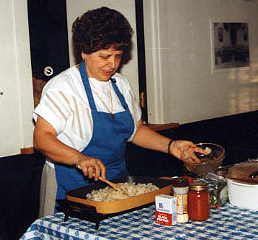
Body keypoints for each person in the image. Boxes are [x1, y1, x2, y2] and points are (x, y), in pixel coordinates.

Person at [33, 6, 205, 217]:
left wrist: (171, 146)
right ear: (84, 52)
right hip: (68, 184)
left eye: (118, 55)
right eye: (105, 56)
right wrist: (79, 158)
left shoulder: (120, 84)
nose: (112, 64)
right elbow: (42, 138)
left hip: (116, 184)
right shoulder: (63, 87)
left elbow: (136, 130)